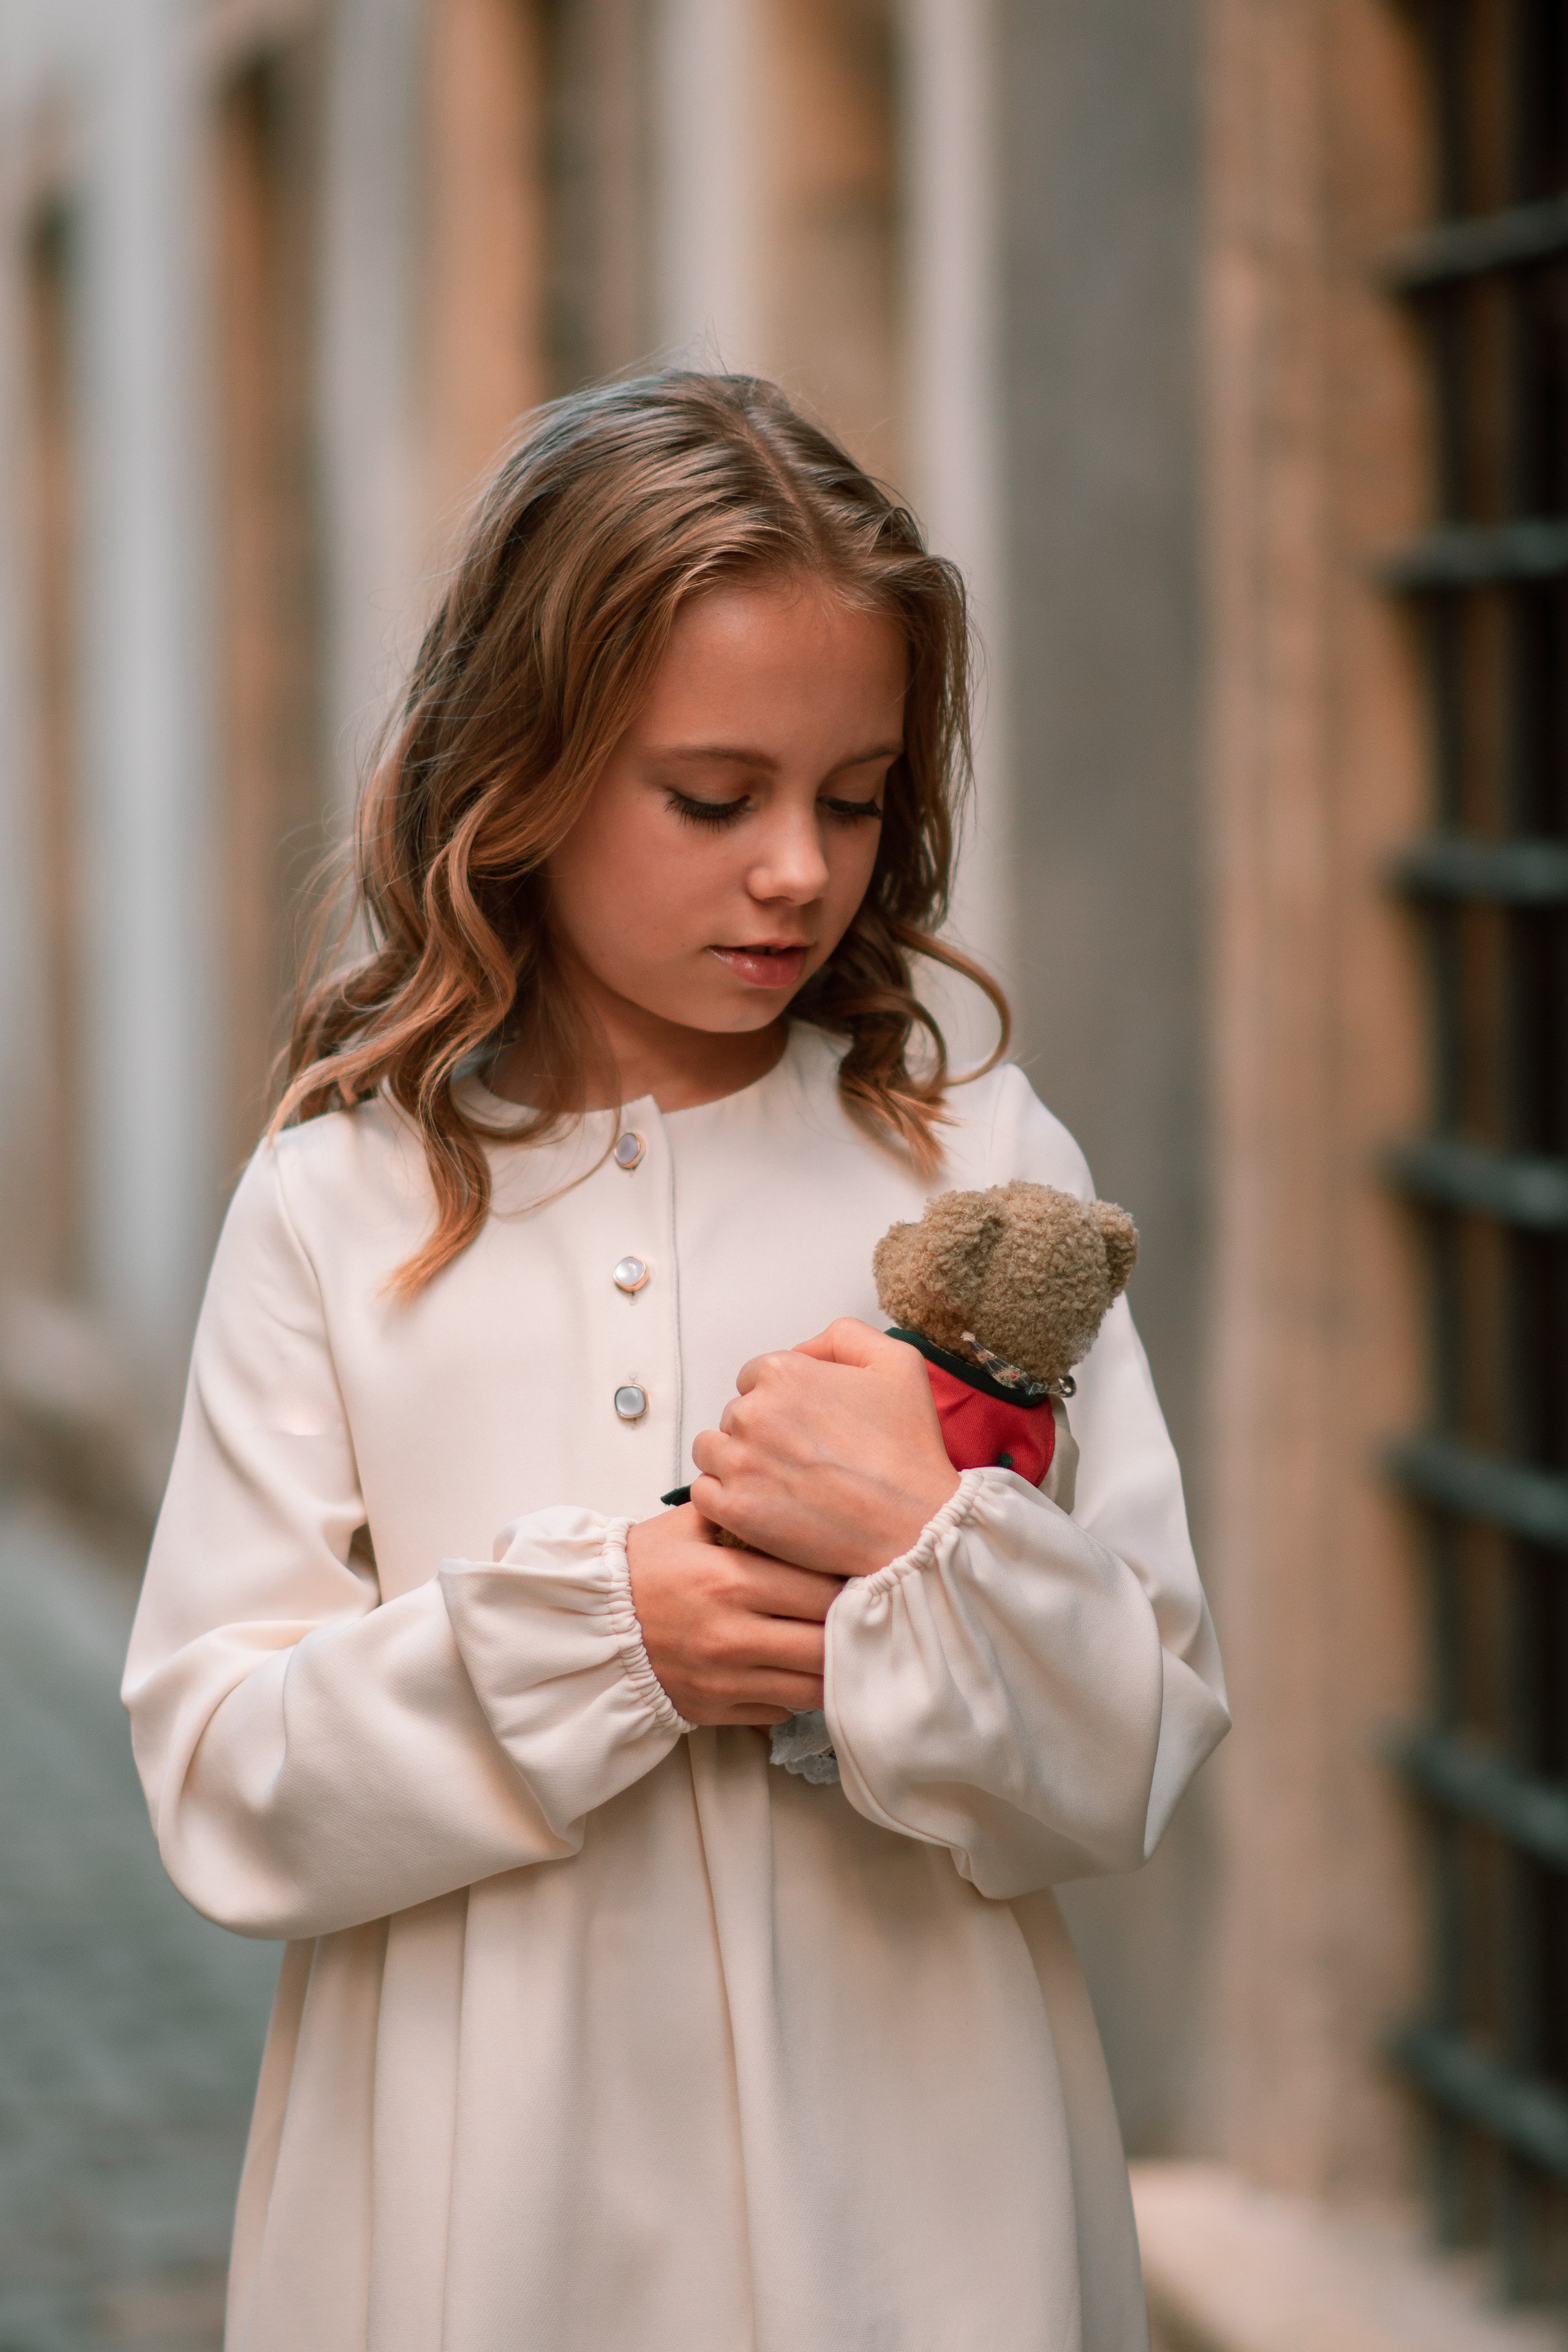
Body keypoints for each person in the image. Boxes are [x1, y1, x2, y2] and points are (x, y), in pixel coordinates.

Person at [123, 371, 1229, 2352]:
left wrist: (927, 1548)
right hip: (477, 2215)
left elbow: (1128, 1759)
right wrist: (601, 1631)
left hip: (926, 2205)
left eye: (859, 794)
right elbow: (222, 1785)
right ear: (521, 771)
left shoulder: (977, 1163)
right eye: (714, 799)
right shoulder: (340, 1203)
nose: (801, 869)